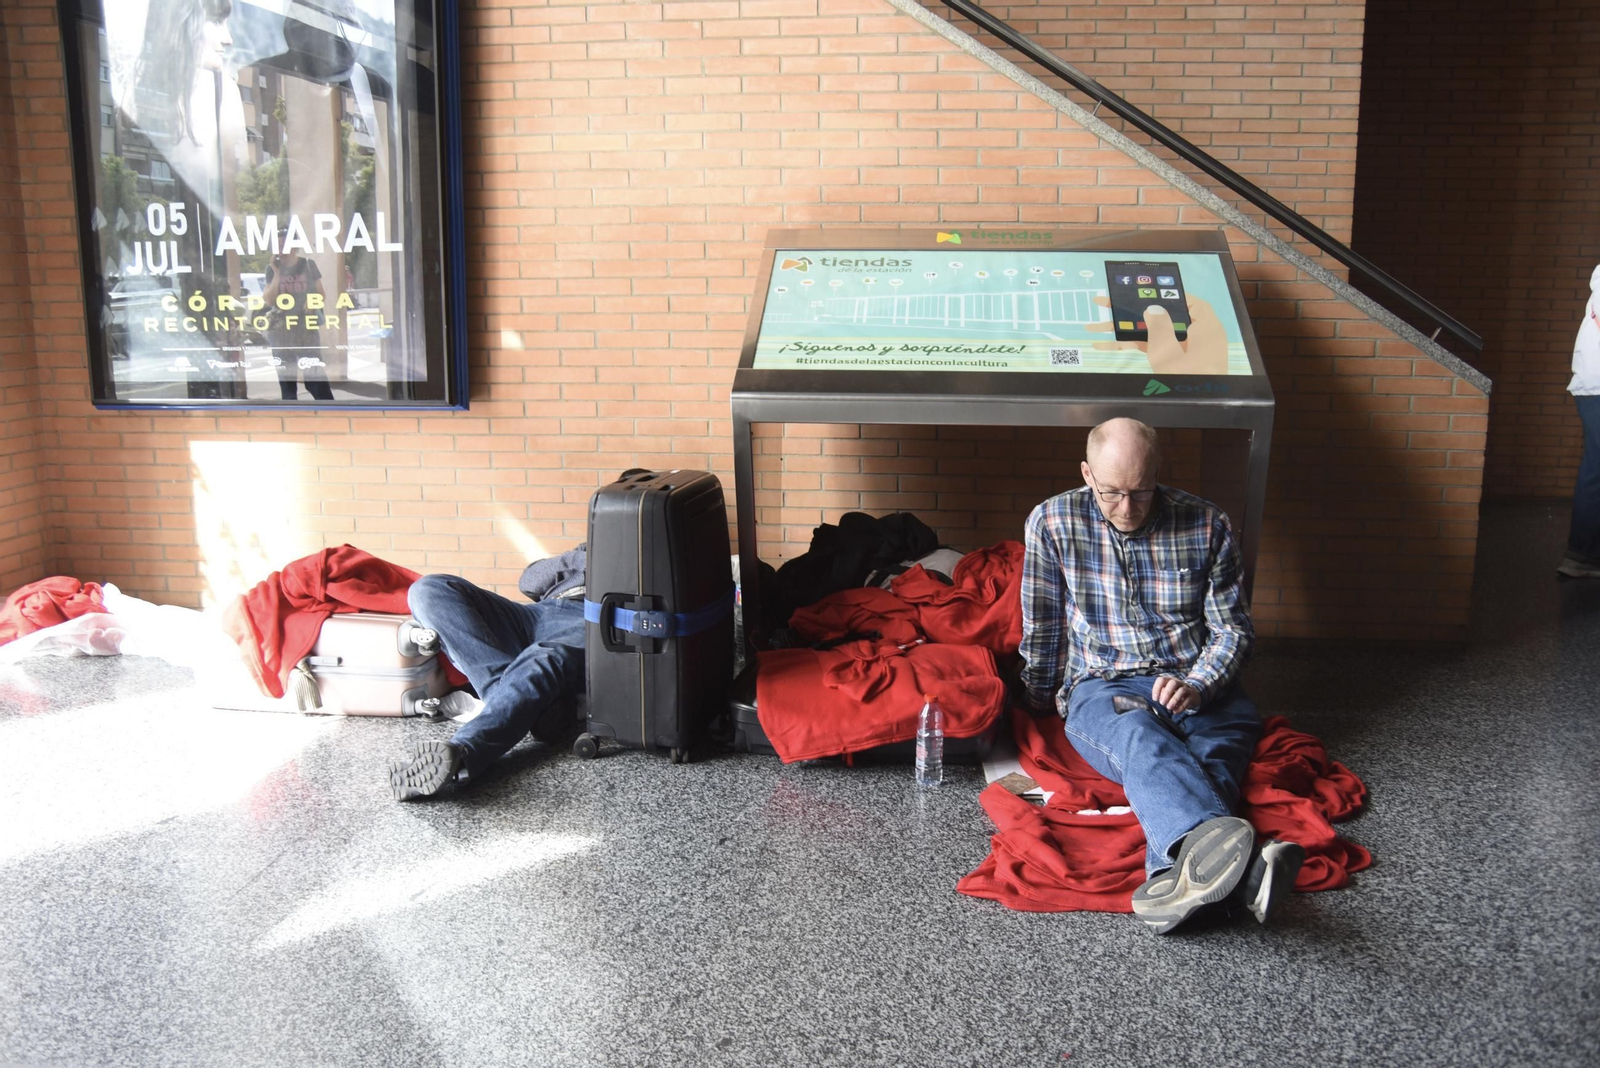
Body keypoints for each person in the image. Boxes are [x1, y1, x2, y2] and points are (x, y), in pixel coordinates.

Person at [1018, 417, 1303, 934]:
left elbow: (1233, 631)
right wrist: (1039, 698)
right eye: (1112, 493)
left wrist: (1199, 684)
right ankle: (1242, 875)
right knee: (1140, 739)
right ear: (1087, 474)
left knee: (1213, 753)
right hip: (1105, 685)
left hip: (1198, 682)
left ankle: (1175, 885)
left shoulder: (1207, 523)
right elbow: (1043, 621)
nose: (1127, 509)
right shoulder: (1052, 521)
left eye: (1142, 493)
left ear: (1159, 477)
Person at [387, 562, 587, 801]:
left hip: (592, 617)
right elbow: (530, 580)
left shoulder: (634, 549)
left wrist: (580, 569)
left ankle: (463, 751)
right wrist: (583, 561)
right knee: (429, 588)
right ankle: (513, 697)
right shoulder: (589, 547)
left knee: (542, 656)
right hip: (535, 612)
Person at [1559, 265, 1600, 579]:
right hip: (1598, 388)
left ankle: (1583, 555)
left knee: (1595, 470)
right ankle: (1582, 555)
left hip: (1593, 388)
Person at [263, 247, 335, 401]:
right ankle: (290, 416)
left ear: (294, 248)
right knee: (287, 381)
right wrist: (276, 273)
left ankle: (330, 413)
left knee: (315, 377)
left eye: (284, 245)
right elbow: (269, 300)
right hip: (281, 329)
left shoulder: (308, 264)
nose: (281, 250)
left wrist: (311, 303)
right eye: (278, 246)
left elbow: (321, 294)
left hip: (305, 328)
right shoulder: (272, 269)